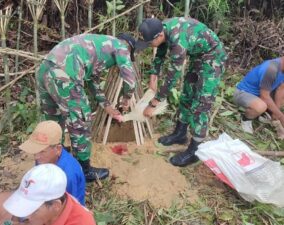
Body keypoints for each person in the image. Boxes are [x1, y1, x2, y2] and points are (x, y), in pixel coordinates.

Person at [38, 33, 137, 181]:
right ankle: (83, 170)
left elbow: (92, 81)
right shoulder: (121, 46)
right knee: (81, 121)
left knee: (54, 116)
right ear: (129, 48)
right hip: (65, 74)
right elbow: (130, 79)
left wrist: (108, 106)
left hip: (45, 68)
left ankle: (56, 153)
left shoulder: (98, 45)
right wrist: (126, 98)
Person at [136, 17, 227, 167]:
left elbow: (172, 77)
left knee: (201, 105)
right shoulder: (162, 29)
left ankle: (194, 151)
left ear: (159, 36)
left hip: (213, 58)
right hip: (198, 56)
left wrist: (154, 103)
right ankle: (180, 134)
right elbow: (159, 53)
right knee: (187, 94)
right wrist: (154, 76)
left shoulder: (178, 42)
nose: (148, 46)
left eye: (149, 43)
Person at [0, 164, 96, 225]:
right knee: (0, 200)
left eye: (33, 210)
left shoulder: (82, 222)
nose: (26, 216)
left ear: (55, 206)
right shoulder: (55, 195)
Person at [19, 120, 86, 205]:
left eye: (42, 151)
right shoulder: (44, 158)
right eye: (35, 150)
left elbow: (70, 205)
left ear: (58, 149)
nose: (36, 156)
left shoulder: (68, 174)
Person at [233, 56, 284, 134]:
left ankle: (265, 114)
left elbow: (281, 89)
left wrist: (276, 112)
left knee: (274, 106)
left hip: (262, 94)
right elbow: (264, 96)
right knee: (261, 106)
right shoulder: (271, 69)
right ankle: (246, 119)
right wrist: (280, 116)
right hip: (243, 93)